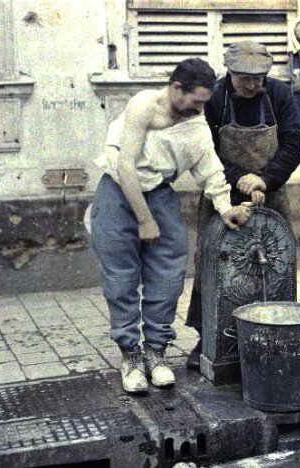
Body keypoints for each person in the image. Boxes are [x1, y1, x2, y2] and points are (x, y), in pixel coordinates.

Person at [90, 58, 251, 393]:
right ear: (177, 89)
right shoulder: (143, 105)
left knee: (168, 274)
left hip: (161, 195)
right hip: (119, 191)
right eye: (198, 100)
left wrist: (225, 208)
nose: (202, 107)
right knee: (120, 277)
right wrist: (144, 220)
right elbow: (125, 167)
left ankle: (156, 352)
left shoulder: (195, 121)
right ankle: (130, 356)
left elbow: (209, 167)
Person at [184, 41, 300, 369]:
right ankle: (207, 337)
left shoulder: (279, 94)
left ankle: (277, 332)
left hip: (270, 193)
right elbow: (206, 151)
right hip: (221, 194)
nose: (251, 85)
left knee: (273, 264)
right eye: (243, 78)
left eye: (258, 78)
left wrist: (265, 179)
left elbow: (294, 144)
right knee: (214, 264)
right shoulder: (216, 97)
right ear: (229, 73)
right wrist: (240, 179)